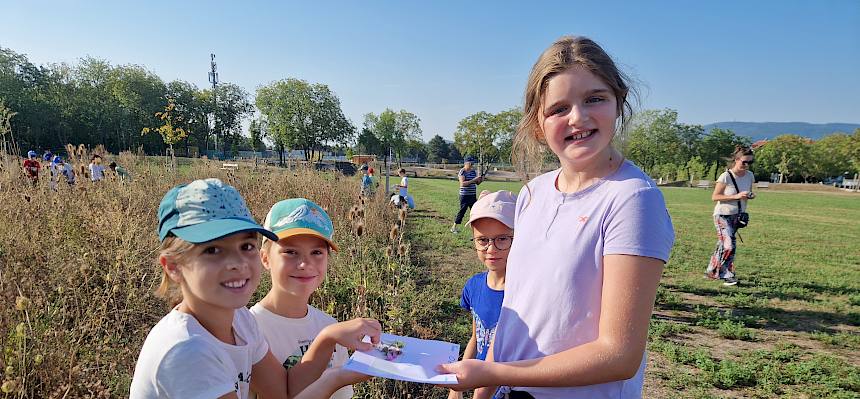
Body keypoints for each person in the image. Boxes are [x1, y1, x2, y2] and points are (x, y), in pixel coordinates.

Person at [438, 36, 675, 399]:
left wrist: (493, 371)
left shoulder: (631, 199)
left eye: (595, 98)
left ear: (619, 102)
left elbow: (619, 355)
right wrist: (485, 386)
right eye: (559, 108)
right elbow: (517, 308)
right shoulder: (535, 192)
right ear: (538, 123)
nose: (578, 117)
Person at [130, 178, 376, 399]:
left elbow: (284, 392)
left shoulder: (240, 321)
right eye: (212, 250)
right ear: (173, 266)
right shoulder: (186, 351)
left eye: (246, 246)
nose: (237, 263)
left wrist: (329, 343)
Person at [251, 198, 378, 399]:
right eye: (290, 252)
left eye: (317, 252)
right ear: (265, 258)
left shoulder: (330, 325)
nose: (304, 264)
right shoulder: (248, 330)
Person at [448, 190, 516, 399]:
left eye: (502, 239)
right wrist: (455, 387)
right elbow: (477, 338)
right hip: (480, 384)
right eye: (482, 240)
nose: (491, 249)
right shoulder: (473, 286)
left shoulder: (525, 294)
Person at [705, 146, 755, 286]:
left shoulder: (749, 176)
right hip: (723, 215)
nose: (747, 165)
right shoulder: (726, 176)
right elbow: (715, 197)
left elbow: (746, 193)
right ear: (736, 160)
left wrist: (749, 195)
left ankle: (711, 271)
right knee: (729, 245)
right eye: (744, 162)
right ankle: (726, 274)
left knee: (723, 244)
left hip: (737, 216)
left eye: (750, 162)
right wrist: (737, 196)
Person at [450, 156, 483, 233]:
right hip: (464, 196)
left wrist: (480, 180)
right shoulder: (462, 171)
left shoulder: (473, 172)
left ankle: (475, 228)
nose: (472, 165)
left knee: (475, 211)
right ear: (466, 163)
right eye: (471, 163)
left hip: (472, 195)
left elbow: (477, 183)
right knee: (462, 211)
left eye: (473, 163)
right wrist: (474, 180)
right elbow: (462, 184)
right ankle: (454, 227)